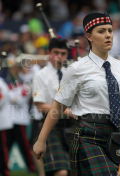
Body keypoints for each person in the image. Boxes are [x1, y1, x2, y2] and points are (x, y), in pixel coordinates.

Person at [33, 12, 120, 176]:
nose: (108, 35)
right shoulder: (77, 69)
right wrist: (41, 140)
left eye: (110, 30)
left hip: (119, 133)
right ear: (89, 36)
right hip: (89, 135)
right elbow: (58, 106)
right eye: (101, 31)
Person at [32, 37, 75, 176]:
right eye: (55, 52)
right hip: (52, 126)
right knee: (61, 172)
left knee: (75, 170)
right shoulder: (41, 75)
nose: (59, 57)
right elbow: (40, 106)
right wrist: (67, 111)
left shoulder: (71, 73)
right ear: (49, 52)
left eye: (63, 53)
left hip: (73, 125)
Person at [0, 77, 14, 176]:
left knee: (3, 148)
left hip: (2, 123)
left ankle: (5, 171)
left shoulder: (1, 84)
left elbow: (1, 100)